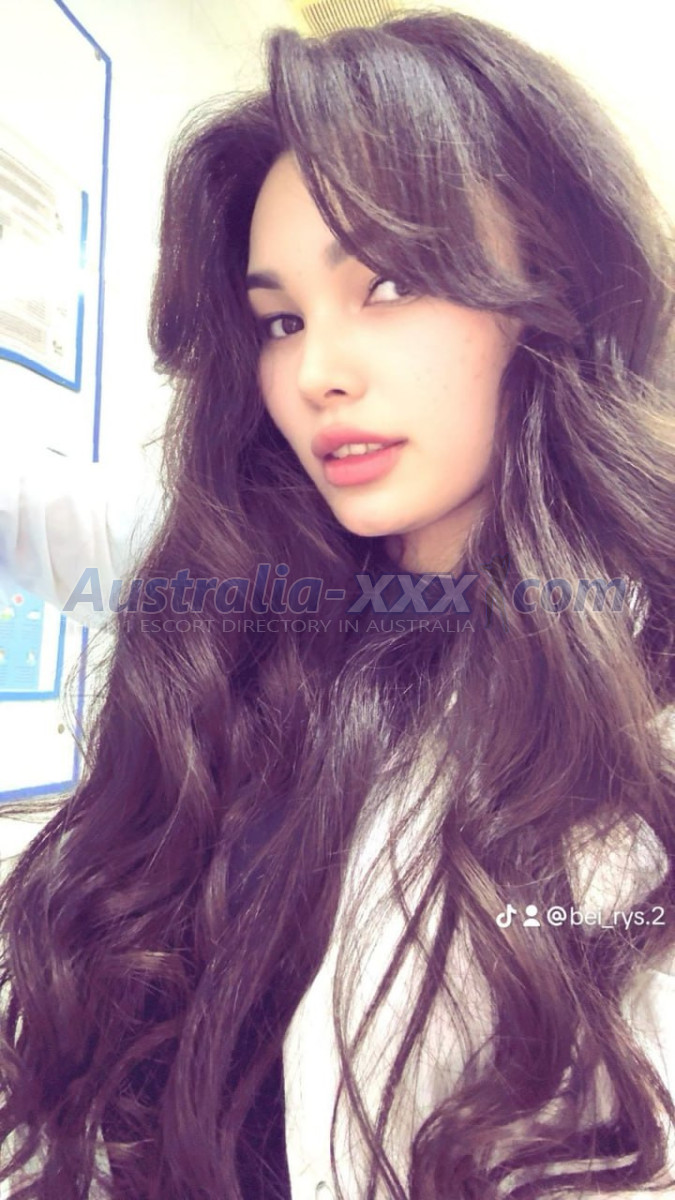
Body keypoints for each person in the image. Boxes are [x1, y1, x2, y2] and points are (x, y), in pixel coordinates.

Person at [1, 8, 674, 1198]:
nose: (315, 372)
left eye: (391, 283)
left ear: (551, 290)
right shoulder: (231, 586)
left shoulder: (637, 685)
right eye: (282, 320)